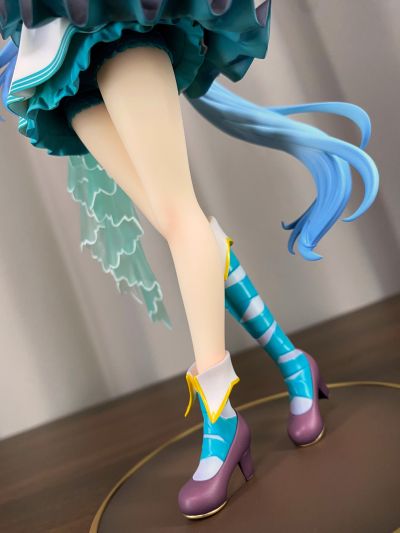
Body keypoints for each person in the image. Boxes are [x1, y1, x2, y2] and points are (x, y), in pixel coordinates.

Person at [0, 1, 378, 519]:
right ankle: (294, 363)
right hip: (50, 46)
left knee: (181, 221)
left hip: (116, 19)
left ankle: (221, 418)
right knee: (179, 224)